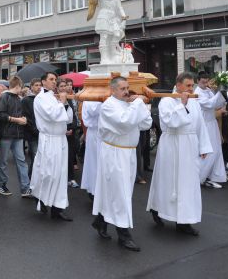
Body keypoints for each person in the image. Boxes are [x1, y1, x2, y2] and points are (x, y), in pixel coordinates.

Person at [147, 72, 212, 236]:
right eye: (188, 86)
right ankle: (157, 208)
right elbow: (171, 122)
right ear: (179, 85)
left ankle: (184, 220)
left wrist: (204, 146)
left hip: (189, 145)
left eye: (192, 86)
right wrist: (181, 104)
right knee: (168, 181)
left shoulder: (194, 101)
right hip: (172, 145)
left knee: (188, 183)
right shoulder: (166, 101)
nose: (191, 89)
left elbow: (200, 124)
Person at [93, 77, 151, 251]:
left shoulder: (127, 104)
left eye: (127, 88)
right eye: (122, 88)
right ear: (113, 90)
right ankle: (123, 235)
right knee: (121, 193)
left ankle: (100, 221)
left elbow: (146, 124)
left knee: (120, 191)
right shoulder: (108, 105)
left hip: (129, 153)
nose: (126, 91)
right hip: (115, 153)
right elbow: (124, 123)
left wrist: (138, 105)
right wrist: (138, 104)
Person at [31, 72, 74, 221]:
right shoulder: (40, 98)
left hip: (60, 139)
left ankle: (58, 208)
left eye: (55, 79)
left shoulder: (55, 97)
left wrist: (65, 103)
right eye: (51, 80)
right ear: (43, 82)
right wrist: (61, 103)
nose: (54, 82)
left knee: (61, 174)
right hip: (49, 139)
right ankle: (40, 197)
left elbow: (67, 118)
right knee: (48, 173)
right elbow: (52, 116)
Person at [0, 76, 32, 197]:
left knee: (21, 161)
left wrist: (24, 120)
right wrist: (17, 120)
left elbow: (20, 114)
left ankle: (25, 188)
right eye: (21, 87)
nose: (22, 89)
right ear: (18, 86)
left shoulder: (18, 98)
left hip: (17, 134)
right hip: (6, 135)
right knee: (3, 161)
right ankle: (1, 185)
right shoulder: (4, 97)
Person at [194, 72, 228, 189]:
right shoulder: (197, 93)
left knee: (217, 149)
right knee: (208, 151)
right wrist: (220, 92)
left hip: (212, 123)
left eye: (206, 81)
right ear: (198, 81)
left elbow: (219, 103)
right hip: (205, 125)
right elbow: (210, 104)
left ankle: (214, 176)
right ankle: (200, 177)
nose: (205, 84)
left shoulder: (208, 90)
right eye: (203, 82)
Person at [88, 0, 127, 64]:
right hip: (104, 16)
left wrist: (123, 16)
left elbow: (119, 7)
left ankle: (113, 53)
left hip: (113, 18)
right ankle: (104, 58)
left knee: (117, 34)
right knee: (104, 37)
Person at [58, 78, 80, 188]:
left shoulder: (70, 100)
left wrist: (72, 128)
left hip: (70, 132)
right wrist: (63, 129)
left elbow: (74, 117)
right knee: (60, 157)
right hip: (59, 133)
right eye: (61, 86)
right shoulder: (55, 100)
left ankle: (70, 178)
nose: (64, 88)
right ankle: (60, 179)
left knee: (70, 156)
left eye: (65, 86)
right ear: (57, 88)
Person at [80, 101, 101, 196]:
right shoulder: (88, 100)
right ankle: (94, 189)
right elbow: (95, 110)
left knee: (100, 163)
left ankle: (99, 188)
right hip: (94, 133)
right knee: (94, 163)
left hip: (102, 133)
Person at [21, 78, 41, 178]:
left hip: (43, 132)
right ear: (31, 87)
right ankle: (31, 179)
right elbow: (26, 118)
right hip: (32, 134)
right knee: (35, 158)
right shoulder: (26, 100)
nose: (38, 87)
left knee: (42, 159)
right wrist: (36, 131)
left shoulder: (43, 98)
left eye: (40, 85)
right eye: (36, 85)